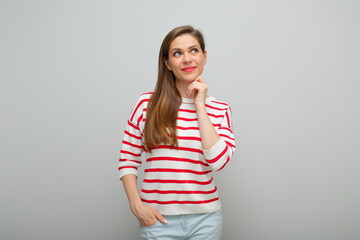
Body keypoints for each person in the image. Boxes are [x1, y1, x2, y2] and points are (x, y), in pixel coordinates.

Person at [118, 25, 236, 240]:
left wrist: (200, 105)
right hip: (157, 220)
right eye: (177, 53)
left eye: (194, 50)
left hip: (206, 219)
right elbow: (127, 159)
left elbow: (218, 161)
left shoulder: (219, 109)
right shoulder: (146, 104)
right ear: (167, 63)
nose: (187, 59)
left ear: (204, 56)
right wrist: (136, 205)